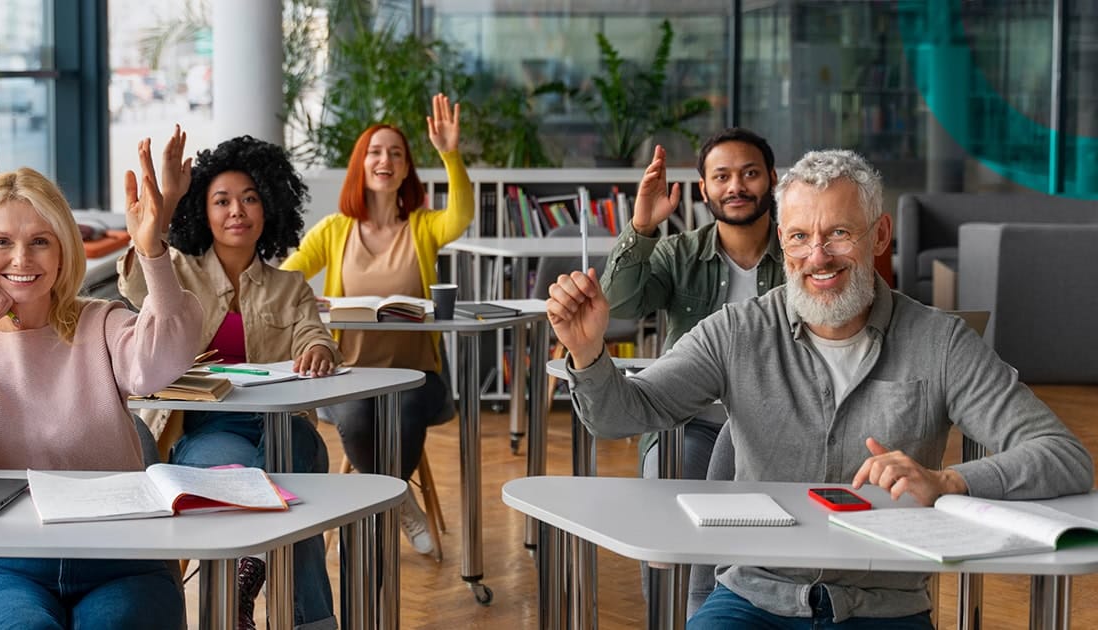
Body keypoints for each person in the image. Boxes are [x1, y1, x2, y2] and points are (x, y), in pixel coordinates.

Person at [546, 149, 1093, 629]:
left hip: (884, 604)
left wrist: (947, 480)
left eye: (838, 233)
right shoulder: (736, 331)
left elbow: (1064, 457)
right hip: (753, 598)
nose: (818, 257)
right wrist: (589, 354)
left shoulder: (941, 341)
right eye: (800, 237)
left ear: (879, 235)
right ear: (782, 241)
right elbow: (622, 415)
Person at [0, 142, 203, 629]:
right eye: (1, 241)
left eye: (41, 240)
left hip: (120, 563)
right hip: (4, 566)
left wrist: (151, 249)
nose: (22, 257)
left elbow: (164, 359)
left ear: (63, 252)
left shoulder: (102, 324)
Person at [118, 127, 340, 630]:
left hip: (283, 428)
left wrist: (318, 349)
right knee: (288, 495)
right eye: (221, 201)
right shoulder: (175, 270)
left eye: (250, 198)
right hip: (207, 432)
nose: (237, 210)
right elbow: (135, 286)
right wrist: (158, 218)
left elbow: (315, 334)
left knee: (293, 466)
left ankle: (241, 590)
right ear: (205, 212)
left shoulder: (291, 286)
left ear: (270, 208)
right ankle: (306, 620)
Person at [280, 93, 473, 558]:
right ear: (360, 165)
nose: (384, 159)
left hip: (417, 377)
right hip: (349, 375)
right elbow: (284, 278)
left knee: (404, 413)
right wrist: (311, 297)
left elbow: (462, 214)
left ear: (406, 169)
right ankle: (399, 502)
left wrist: (449, 153)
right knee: (357, 416)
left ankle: (380, 505)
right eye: (374, 151)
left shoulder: (424, 227)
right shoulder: (334, 230)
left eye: (396, 153)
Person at [603, 129, 786, 613]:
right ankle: (672, 616)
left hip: (781, 427)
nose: (736, 187)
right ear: (703, 190)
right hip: (691, 423)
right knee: (665, 497)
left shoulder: (801, 252)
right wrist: (641, 228)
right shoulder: (679, 252)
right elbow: (620, 303)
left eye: (749, 173)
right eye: (721, 176)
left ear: (772, 179)